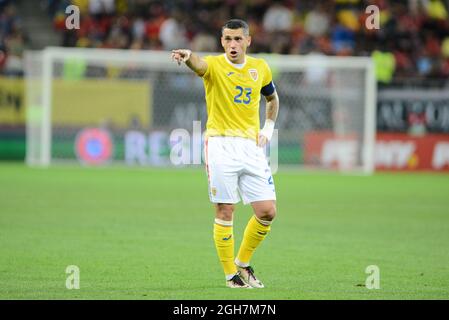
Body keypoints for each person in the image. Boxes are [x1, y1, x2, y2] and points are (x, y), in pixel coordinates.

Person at [171, 19, 279, 289]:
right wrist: (187, 57)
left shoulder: (260, 68)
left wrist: (268, 128)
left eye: (238, 39)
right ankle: (231, 274)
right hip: (220, 144)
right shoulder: (214, 65)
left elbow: (272, 99)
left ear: (248, 41)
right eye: (228, 39)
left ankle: (243, 262)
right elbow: (199, 64)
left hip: (251, 147)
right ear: (222, 42)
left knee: (267, 211)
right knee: (225, 209)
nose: (233, 44)